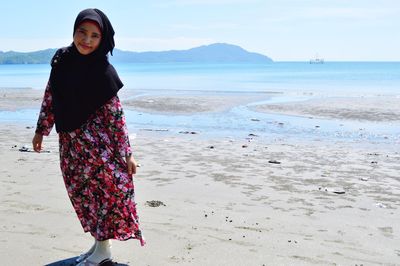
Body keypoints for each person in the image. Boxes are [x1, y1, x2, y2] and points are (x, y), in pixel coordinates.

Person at [32, 8, 145, 266]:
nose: (87, 40)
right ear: (73, 31)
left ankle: (103, 252)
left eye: (95, 35)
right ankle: (98, 246)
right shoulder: (61, 60)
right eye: (82, 32)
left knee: (102, 196)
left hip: (100, 149)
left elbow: (116, 118)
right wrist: (41, 129)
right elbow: (51, 97)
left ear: (102, 39)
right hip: (71, 146)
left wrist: (127, 153)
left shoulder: (103, 72)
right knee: (83, 196)